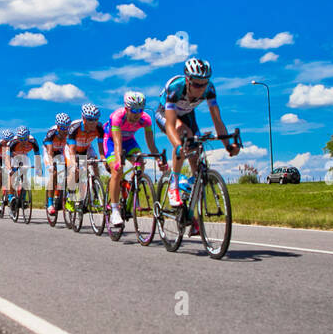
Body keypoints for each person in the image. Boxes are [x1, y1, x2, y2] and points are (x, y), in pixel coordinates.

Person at [159, 57, 241, 219]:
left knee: (196, 159)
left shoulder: (209, 89)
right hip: (167, 115)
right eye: (197, 84)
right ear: (188, 80)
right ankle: (174, 185)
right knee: (183, 134)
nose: (200, 88)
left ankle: (191, 216)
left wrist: (228, 145)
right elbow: (170, 125)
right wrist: (178, 145)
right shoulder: (175, 87)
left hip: (188, 115)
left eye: (204, 84)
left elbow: (217, 120)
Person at [106, 91, 164, 230]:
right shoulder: (117, 117)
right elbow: (118, 143)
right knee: (117, 170)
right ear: (126, 109)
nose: (137, 114)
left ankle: (132, 186)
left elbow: (151, 144)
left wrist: (158, 159)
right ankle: (114, 210)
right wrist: (119, 160)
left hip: (130, 142)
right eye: (134, 110)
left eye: (140, 110)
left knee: (140, 162)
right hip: (112, 142)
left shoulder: (146, 119)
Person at [63, 103, 106, 209]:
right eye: (90, 120)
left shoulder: (99, 128)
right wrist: (74, 163)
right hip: (72, 149)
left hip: (87, 148)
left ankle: (96, 191)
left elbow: (101, 150)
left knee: (95, 164)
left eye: (96, 119)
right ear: (83, 118)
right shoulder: (75, 128)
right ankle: (70, 195)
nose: (93, 123)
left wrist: (104, 160)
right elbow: (72, 151)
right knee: (76, 170)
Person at [43, 113, 71, 220]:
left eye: (67, 128)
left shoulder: (69, 133)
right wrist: (51, 165)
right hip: (49, 151)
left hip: (60, 150)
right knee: (53, 172)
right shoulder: (52, 133)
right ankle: (50, 203)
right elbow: (50, 152)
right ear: (58, 127)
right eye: (63, 128)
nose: (65, 130)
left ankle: (63, 195)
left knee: (71, 169)